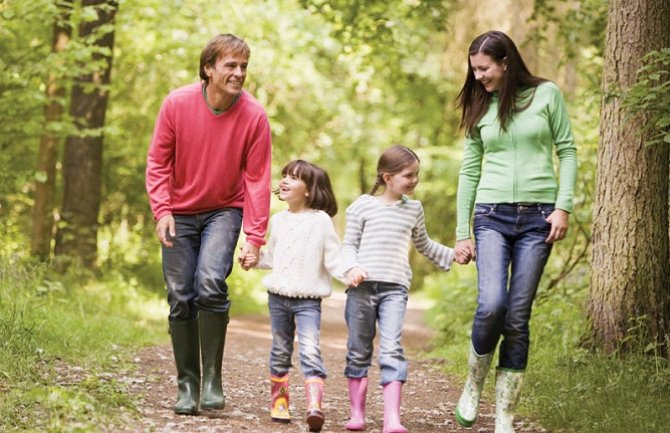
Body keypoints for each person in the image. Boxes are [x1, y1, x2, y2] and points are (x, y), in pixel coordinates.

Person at [452, 30, 577, 433]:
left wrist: (563, 206)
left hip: (539, 217)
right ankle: (473, 383)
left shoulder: (546, 95)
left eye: (483, 68)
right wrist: (461, 231)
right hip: (491, 215)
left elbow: (567, 150)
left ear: (506, 63)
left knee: (518, 317)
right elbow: (470, 170)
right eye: (473, 69)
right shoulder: (479, 105)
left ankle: (504, 414)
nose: (477, 76)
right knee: (491, 304)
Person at [145, 33, 272, 416]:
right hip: (179, 212)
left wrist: (254, 237)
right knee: (181, 294)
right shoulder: (177, 104)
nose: (238, 73)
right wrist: (162, 210)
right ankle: (188, 384)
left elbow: (257, 179)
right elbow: (158, 163)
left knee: (210, 282)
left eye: (243, 67)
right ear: (208, 68)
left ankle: (212, 378)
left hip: (223, 210)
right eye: (230, 65)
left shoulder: (253, 115)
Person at [341, 145, 455, 433]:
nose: (415, 180)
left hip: (395, 289)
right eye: (408, 175)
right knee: (358, 349)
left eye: (417, 174)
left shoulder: (413, 209)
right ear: (387, 177)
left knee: (391, 348)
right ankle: (357, 414)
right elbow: (348, 246)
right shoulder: (361, 206)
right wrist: (352, 268)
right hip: (361, 288)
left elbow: (424, 244)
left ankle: (392, 418)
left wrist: (454, 254)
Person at [241, 160, 344, 432]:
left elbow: (334, 258)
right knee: (280, 349)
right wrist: (254, 259)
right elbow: (273, 258)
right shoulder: (278, 220)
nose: (285, 181)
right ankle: (281, 402)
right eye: (284, 175)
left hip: (308, 300)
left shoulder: (321, 221)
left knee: (310, 349)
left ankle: (314, 406)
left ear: (309, 190)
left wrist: (351, 273)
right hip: (277, 297)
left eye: (294, 178)